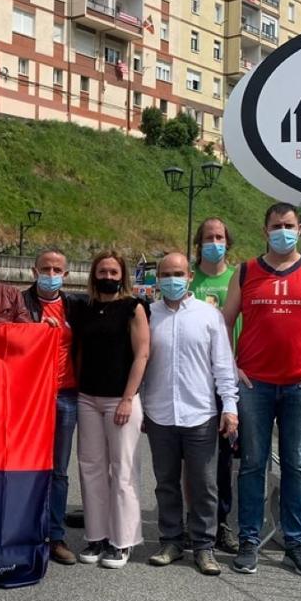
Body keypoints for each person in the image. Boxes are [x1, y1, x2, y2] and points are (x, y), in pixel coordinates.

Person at [223, 202, 301, 577]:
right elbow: (223, 325)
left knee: (296, 466)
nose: (282, 231)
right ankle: (248, 541)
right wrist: (233, 369)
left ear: (300, 230)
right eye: (276, 225)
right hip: (255, 385)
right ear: (265, 230)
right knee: (252, 466)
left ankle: (294, 543)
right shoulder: (245, 272)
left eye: (289, 225)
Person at [142, 253, 239, 576]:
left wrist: (230, 406)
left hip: (201, 414)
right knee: (166, 483)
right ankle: (170, 540)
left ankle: (204, 546)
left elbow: (223, 365)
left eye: (178, 273)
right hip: (159, 413)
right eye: (166, 274)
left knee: (204, 484)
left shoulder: (208, 315)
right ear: (157, 278)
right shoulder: (147, 315)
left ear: (189, 276)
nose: (172, 279)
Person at [72, 252, 150, 569]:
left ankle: (122, 541)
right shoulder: (85, 308)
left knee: (123, 471)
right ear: (94, 275)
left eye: (113, 271)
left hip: (120, 399)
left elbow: (142, 354)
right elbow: (77, 350)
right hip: (88, 397)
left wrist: (128, 398)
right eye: (102, 270)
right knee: (90, 469)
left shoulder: (134, 308)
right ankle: (97, 536)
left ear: (122, 275)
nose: (108, 275)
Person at [21, 248, 86, 565]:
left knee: (59, 471)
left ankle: (56, 536)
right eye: (45, 269)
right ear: (33, 272)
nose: (50, 274)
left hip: (66, 396)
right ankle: (25, 532)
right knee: (28, 466)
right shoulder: (20, 304)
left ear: (66, 275)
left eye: (56, 269)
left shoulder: (76, 305)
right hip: (30, 397)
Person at [189, 217, 241, 554]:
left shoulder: (239, 278)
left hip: (229, 380)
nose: (214, 241)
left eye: (219, 236)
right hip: (195, 381)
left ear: (228, 242)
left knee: (224, 460)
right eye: (208, 237)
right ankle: (190, 521)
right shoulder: (188, 280)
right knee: (190, 459)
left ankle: (221, 524)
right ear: (199, 243)